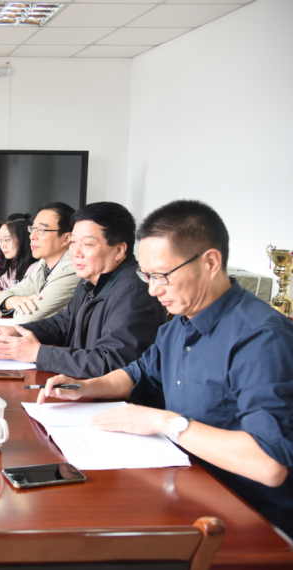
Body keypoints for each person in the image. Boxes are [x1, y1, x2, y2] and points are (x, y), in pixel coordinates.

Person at [36, 200, 293, 537]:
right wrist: (85, 387)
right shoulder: (178, 326)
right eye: (146, 275)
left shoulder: (261, 338)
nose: (153, 289)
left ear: (210, 262)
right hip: (186, 485)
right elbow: (138, 373)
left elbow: (269, 464)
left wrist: (165, 422)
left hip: (249, 518)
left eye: (162, 276)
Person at [0, 202, 167, 378]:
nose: (76, 253)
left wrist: (38, 353)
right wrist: (19, 331)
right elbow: (65, 322)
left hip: (108, 397)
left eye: (87, 244)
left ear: (119, 250)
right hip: (79, 384)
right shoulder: (91, 278)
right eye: (73, 242)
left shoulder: (134, 291)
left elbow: (111, 363)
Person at [0, 202, 79, 324]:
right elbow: (6, 295)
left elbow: (26, 318)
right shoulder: (44, 263)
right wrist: (13, 300)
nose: (32, 236)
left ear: (66, 238)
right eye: (33, 229)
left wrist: (13, 304)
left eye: (40, 230)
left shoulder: (72, 268)